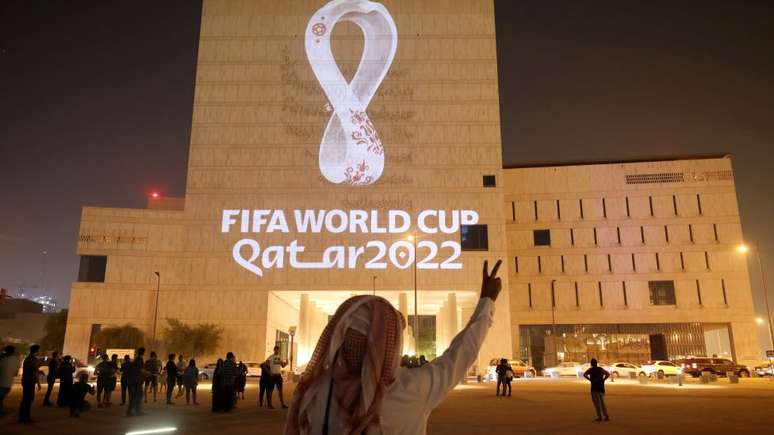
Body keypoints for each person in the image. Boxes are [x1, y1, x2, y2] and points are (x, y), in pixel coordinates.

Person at [285, 259, 502, 435]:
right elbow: (460, 354)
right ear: (388, 345)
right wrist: (487, 301)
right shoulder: (412, 390)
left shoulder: (313, 393)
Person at [19, 344, 41, 423]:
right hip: (29, 381)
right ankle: (25, 417)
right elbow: (33, 372)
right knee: (28, 399)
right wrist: (38, 382)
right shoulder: (32, 359)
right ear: (36, 351)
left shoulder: (28, 359)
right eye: (38, 350)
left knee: (26, 399)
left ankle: (23, 416)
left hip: (27, 381)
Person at [125, 347, 146, 417]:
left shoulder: (136, 359)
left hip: (134, 380)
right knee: (137, 396)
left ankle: (132, 411)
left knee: (135, 396)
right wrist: (147, 373)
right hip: (137, 380)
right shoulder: (139, 359)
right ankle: (135, 411)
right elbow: (141, 370)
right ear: (143, 352)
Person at [0, 345, 19, 417]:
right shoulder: (15, 360)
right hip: (8, 384)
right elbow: (16, 373)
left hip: (1, 383)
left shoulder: (2, 359)